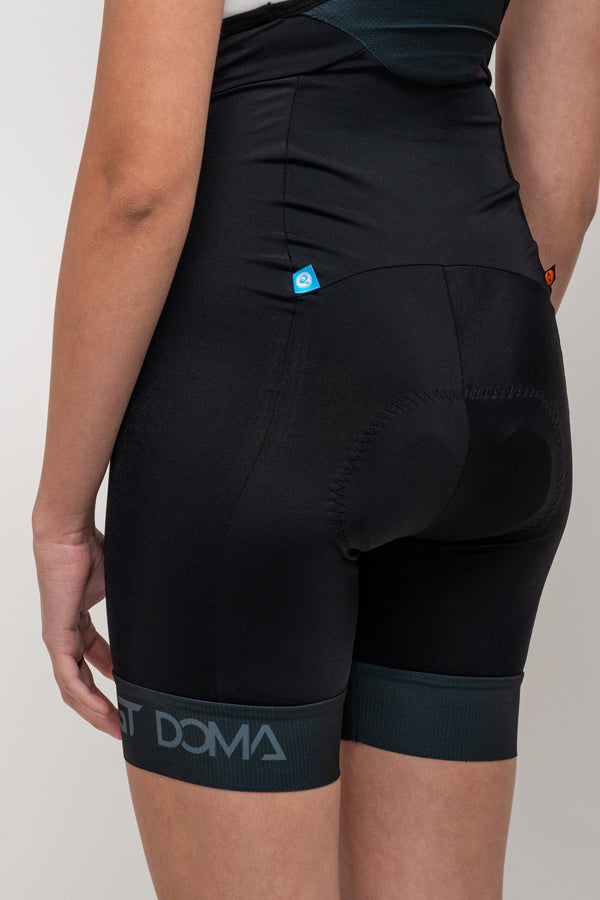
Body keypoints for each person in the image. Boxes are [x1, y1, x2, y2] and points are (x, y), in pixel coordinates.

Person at [31, 1, 599, 897]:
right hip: (505, 389)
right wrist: (441, 364)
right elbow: (563, 162)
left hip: (268, 395)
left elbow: (136, 187)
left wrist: (62, 516)